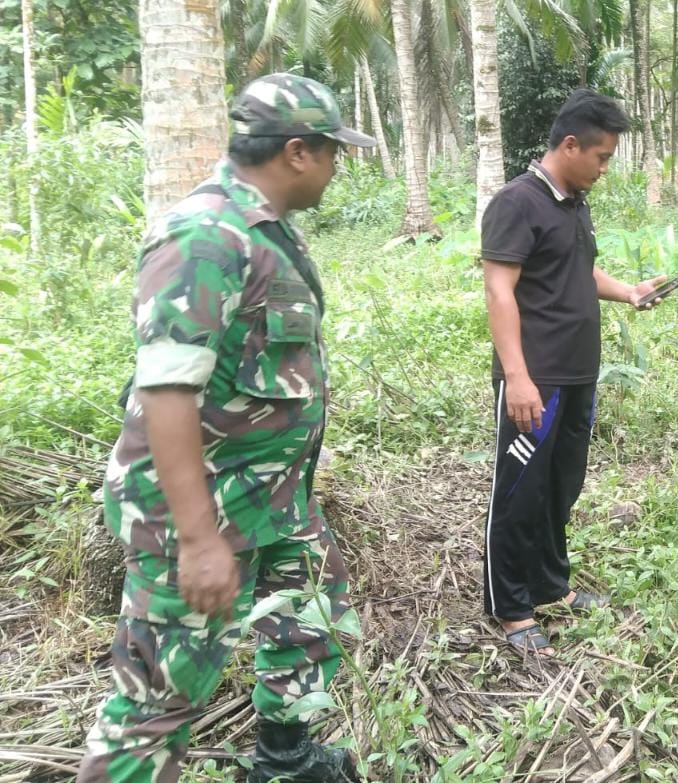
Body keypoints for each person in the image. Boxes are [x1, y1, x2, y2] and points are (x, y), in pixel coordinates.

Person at [78, 74, 374, 783]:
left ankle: (284, 760)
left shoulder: (262, 229)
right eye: (334, 151)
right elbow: (166, 390)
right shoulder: (206, 236)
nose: (338, 166)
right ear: (298, 152)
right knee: (156, 701)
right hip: (202, 510)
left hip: (271, 501)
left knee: (306, 618)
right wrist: (197, 538)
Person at [480, 89, 668, 655]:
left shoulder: (572, 203)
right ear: (570, 145)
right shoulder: (516, 203)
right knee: (519, 491)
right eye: (602, 156)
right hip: (535, 380)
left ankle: (550, 587)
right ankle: (511, 607)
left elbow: (579, 273)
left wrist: (629, 292)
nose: (605, 169)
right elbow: (498, 289)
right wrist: (517, 376)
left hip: (578, 375)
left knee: (562, 485)